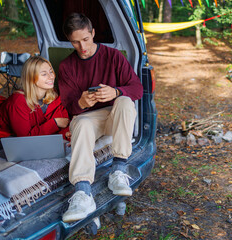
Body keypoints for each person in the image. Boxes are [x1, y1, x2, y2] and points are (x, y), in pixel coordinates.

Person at [58, 13, 143, 223]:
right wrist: (81, 103)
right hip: (89, 119)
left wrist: (115, 92)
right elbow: (67, 107)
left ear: (93, 33)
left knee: (125, 101)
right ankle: (83, 192)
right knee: (81, 123)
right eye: (75, 42)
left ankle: (119, 170)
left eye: (86, 39)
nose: (82, 47)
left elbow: (137, 88)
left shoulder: (113, 56)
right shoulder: (67, 66)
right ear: (69, 40)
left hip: (116, 115)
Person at [0, 56, 70, 140]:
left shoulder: (53, 94)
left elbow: (64, 120)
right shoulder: (18, 101)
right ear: (31, 78)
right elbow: (25, 138)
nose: (51, 77)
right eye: (44, 74)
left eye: (51, 72)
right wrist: (55, 123)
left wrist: (65, 133)